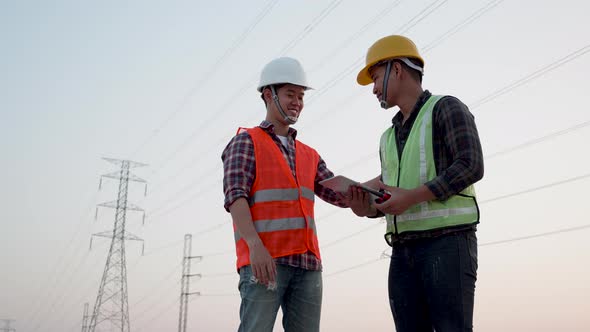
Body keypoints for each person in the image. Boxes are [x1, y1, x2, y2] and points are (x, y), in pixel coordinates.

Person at [347, 35, 484, 332]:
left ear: (397, 69)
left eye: (376, 76)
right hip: (403, 252)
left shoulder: (446, 108)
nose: (372, 89)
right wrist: (365, 206)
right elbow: (394, 192)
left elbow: (471, 164)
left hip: (447, 244)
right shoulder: (388, 136)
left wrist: (411, 197)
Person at [222, 56, 349, 332]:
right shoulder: (246, 141)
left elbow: (338, 192)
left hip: (307, 265)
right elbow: (235, 197)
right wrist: (255, 246)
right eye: (290, 94)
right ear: (268, 94)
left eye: (301, 96)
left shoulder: (308, 154)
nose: (298, 102)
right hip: (265, 263)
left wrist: (377, 187)